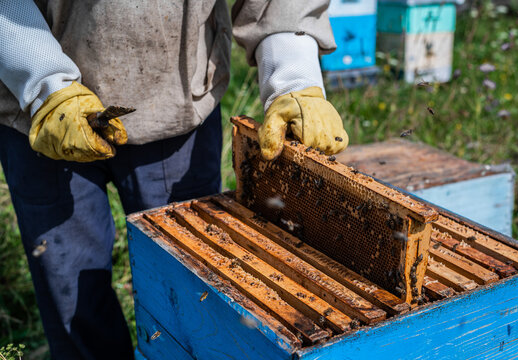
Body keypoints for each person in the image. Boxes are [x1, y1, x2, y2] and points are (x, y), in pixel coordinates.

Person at [0, 1, 348, 359]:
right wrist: (42, 81)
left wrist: (292, 77)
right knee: (69, 286)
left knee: (190, 291)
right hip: (37, 111)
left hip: (175, 106)